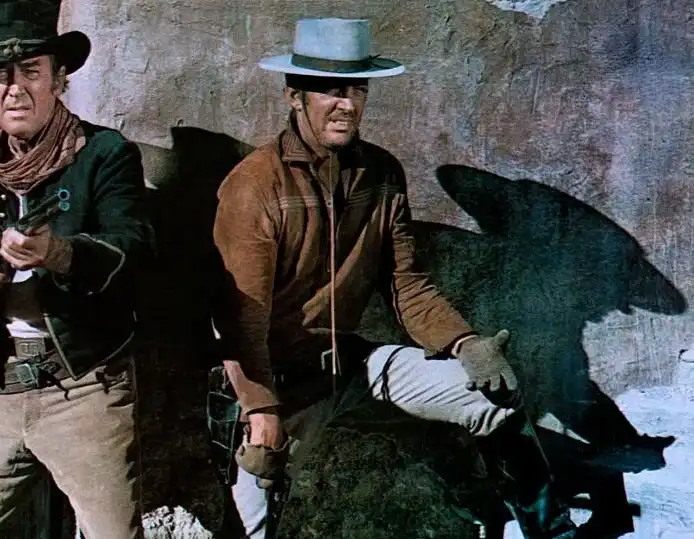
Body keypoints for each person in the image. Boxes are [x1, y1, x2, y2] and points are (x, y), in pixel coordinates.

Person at [211, 17, 581, 539]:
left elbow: (406, 283)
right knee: (252, 519)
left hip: (350, 363)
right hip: (275, 381)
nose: (347, 104)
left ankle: (552, 532)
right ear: (295, 96)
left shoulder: (382, 173)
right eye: (331, 91)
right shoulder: (255, 185)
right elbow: (239, 318)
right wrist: (260, 407)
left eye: (357, 90)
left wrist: (465, 343)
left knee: (490, 399)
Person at [0, 2, 153, 538]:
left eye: (31, 72)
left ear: (59, 81)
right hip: (0, 385)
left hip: (85, 387)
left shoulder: (104, 153)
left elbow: (133, 249)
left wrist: (57, 253)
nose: (14, 90)